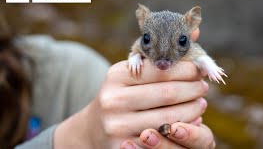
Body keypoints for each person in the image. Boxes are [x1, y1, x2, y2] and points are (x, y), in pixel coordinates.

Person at [0, 10, 216, 148]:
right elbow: (137, 50)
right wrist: (76, 139)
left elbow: (199, 56)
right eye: (149, 39)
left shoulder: (73, 72)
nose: (162, 61)